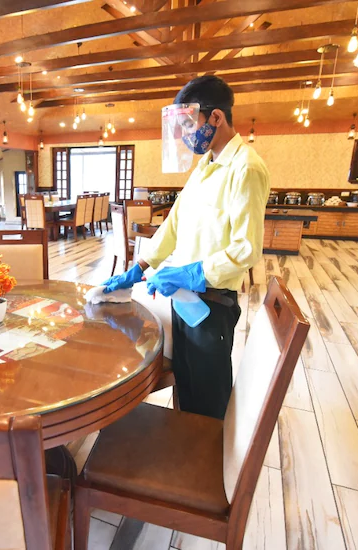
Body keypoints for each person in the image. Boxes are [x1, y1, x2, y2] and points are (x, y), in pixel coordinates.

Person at [102, 75, 270, 419]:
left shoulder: (246, 168)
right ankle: (186, 443)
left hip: (212, 304)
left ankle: (210, 452)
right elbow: (173, 225)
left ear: (216, 117)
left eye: (190, 125)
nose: (185, 135)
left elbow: (246, 248)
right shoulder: (205, 166)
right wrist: (139, 267)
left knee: (209, 401)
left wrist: (191, 273)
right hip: (184, 299)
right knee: (187, 386)